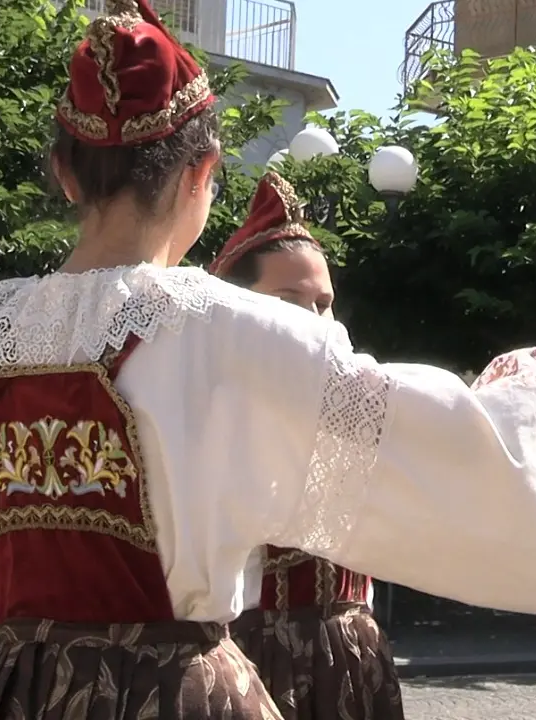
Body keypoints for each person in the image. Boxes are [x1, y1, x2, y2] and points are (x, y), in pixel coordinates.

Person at [0, 1, 536, 717]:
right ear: (203, 175)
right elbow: (454, 444)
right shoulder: (225, 330)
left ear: (62, 172)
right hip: (176, 698)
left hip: (24, 694)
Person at [210, 172, 403, 720]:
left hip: (350, 651)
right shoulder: (206, 412)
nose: (315, 320)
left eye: (324, 303)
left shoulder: (356, 405)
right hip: (249, 656)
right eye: (290, 299)